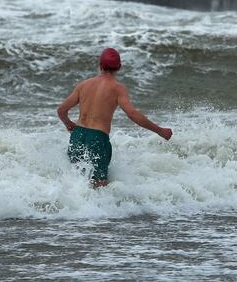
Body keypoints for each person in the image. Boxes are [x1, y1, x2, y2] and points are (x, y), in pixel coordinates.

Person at [57, 48, 173, 188]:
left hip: (77, 135)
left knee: (76, 182)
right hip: (97, 138)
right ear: (119, 67)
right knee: (100, 186)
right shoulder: (117, 88)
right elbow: (132, 114)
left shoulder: (84, 85)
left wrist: (68, 124)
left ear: (100, 66)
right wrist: (160, 131)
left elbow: (61, 110)